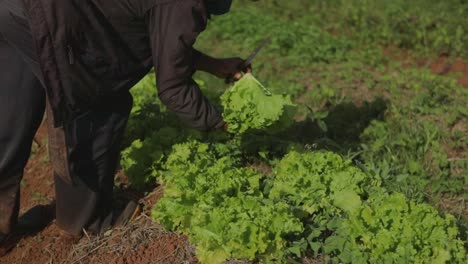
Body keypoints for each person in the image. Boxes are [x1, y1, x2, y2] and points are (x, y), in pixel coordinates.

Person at [0, 0, 249, 254]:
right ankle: (85, 220)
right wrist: (221, 121)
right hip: (48, 15)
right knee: (98, 98)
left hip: (13, 8)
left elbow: (159, 31)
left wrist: (213, 65)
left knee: (11, 107)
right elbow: (173, 88)